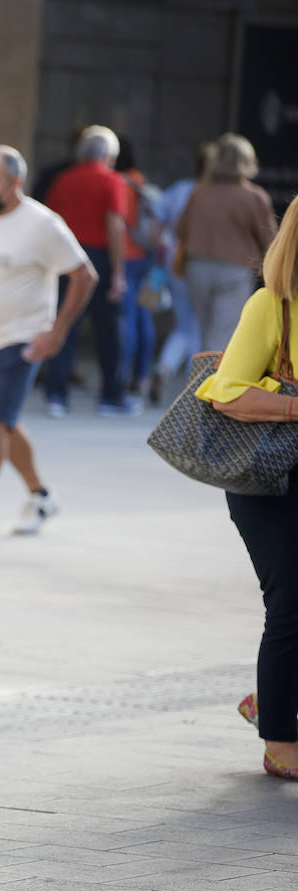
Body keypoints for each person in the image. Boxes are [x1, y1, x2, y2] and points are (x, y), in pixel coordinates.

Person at [0, 146, 97, 540]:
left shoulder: (43, 224)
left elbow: (84, 275)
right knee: (5, 425)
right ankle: (40, 496)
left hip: (22, 340)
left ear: (16, 182)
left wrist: (56, 331)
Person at [194, 195, 298, 782]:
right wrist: (294, 405)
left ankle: (274, 696)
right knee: (291, 602)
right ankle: (280, 739)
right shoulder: (271, 305)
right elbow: (227, 390)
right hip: (271, 477)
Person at [43, 125, 136, 417]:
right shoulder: (112, 181)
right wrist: (119, 273)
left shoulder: (63, 180)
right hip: (100, 257)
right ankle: (111, 396)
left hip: (66, 258)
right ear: (109, 154)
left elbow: (52, 225)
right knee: (109, 330)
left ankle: (56, 395)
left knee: (64, 323)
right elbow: (115, 226)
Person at [175, 132, 277, 351]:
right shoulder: (254, 196)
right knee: (220, 338)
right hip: (234, 272)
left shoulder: (200, 190)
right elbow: (270, 242)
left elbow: (181, 229)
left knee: (206, 334)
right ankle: (208, 383)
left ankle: (203, 380)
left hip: (197, 268)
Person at [149, 142, 215, 402]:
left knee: (184, 325)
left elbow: (156, 224)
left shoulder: (180, 190)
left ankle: (164, 366)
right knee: (198, 328)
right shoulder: (211, 194)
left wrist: (161, 249)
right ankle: (193, 388)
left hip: (175, 262)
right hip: (202, 262)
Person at [114, 137, 158, 399]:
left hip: (127, 255)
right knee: (144, 316)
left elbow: (119, 221)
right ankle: (141, 377)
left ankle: (121, 378)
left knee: (127, 319)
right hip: (147, 255)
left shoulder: (118, 182)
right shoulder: (138, 179)